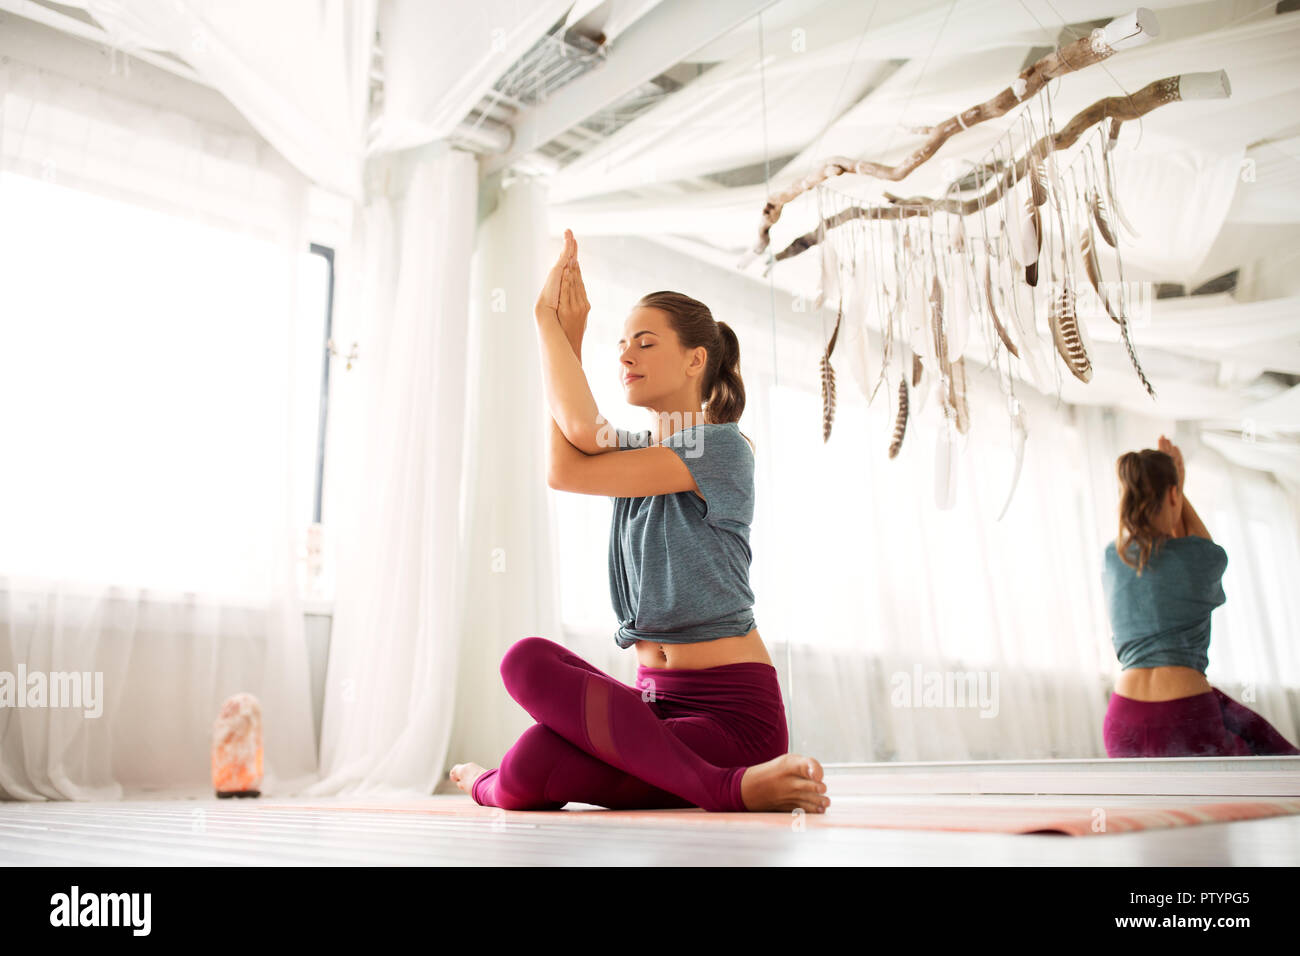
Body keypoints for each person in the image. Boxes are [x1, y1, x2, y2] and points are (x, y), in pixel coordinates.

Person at [449, 229, 829, 813]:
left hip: (731, 720)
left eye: (645, 343)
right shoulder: (629, 453)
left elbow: (578, 436)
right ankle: (485, 784)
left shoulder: (722, 449)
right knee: (528, 747)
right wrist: (569, 341)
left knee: (526, 688)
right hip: (653, 710)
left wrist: (549, 324)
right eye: (621, 343)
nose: (625, 355)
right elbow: (564, 466)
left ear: (696, 359)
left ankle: (727, 786)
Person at [1101, 436, 1300, 757]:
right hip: (1183, 716)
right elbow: (1195, 547)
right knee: (1279, 758)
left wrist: (1173, 482)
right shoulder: (1203, 558)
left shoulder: (1112, 558)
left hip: (1123, 722)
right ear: (1173, 496)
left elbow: (1173, 550)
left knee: (1254, 730)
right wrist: (1178, 479)